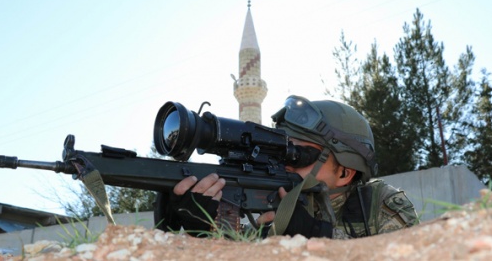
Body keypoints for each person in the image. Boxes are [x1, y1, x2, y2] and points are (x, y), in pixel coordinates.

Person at [165, 95, 419, 239]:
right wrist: (203, 225)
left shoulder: (381, 205)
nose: (285, 163)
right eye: (283, 149)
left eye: (299, 155)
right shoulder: (271, 204)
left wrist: (318, 235)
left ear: (344, 172)